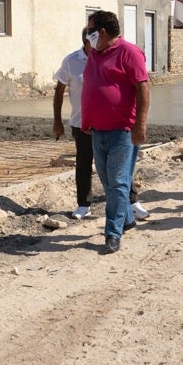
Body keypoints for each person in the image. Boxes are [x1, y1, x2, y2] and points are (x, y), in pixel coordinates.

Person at [53, 29, 150, 221]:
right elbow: (59, 91)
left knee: (119, 167)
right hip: (81, 123)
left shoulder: (108, 58)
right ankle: (83, 204)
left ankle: (131, 202)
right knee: (83, 164)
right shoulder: (71, 61)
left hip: (112, 123)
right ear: (86, 42)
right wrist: (57, 121)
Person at [81, 10, 150, 254]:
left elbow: (143, 88)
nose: (87, 34)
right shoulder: (94, 55)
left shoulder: (129, 52)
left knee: (119, 183)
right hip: (97, 130)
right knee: (108, 181)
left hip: (122, 130)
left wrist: (140, 125)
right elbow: (91, 88)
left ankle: (113, 233)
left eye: (90, 30)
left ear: (102, 31)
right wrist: (87, 120)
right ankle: (128, 219)